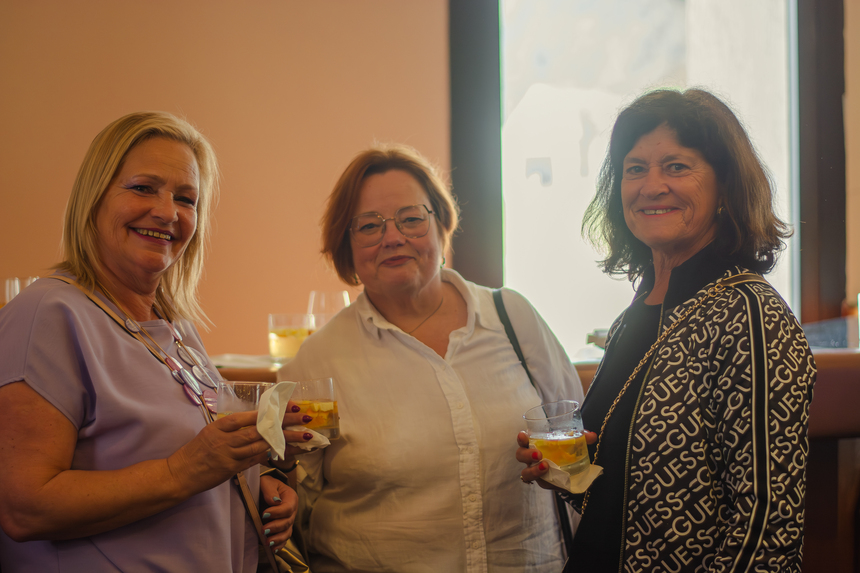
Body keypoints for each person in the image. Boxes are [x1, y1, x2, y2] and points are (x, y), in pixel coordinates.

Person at [517, 88, 816, 572]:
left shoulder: (750, 315)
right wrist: (563, 471)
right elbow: (624, 501)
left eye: (676, 167)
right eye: (635, 169)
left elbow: (767, 529)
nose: (651, 186)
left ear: (725, 188)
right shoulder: (633, 316)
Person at [0, 111, 311, 572]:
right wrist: (184, 471)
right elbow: (25, 508)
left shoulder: (176, 326)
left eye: (186, 199)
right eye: (144, 188)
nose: (168, 212)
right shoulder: (48, 313)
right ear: (94, 197)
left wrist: (253, 478)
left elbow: (189, 454)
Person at [277, 143, 583, 572]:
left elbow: (575, 442)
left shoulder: (512, 318)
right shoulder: (319, 361)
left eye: (411, 218)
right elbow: (294, 500)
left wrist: (561, 469)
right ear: (346, 244)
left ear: (441, 224)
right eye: (369, 226)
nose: (393, 237)